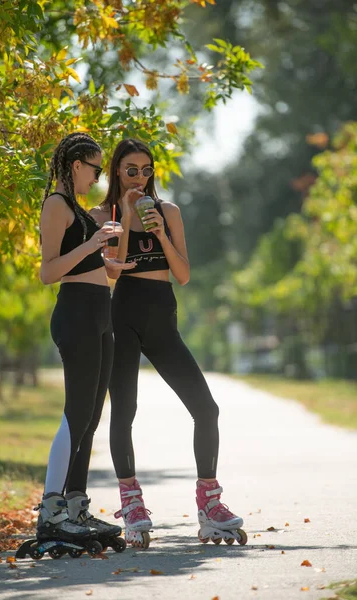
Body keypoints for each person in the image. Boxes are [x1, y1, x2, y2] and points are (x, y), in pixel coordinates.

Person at [91, 138, 246, 549]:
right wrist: (123, 217)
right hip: (122, 316)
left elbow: (183, 274)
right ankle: (132, 503)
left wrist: (159, 234)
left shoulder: (169, 211)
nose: (139, 177)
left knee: (206, 409)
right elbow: (112, 274)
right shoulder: (101, 215)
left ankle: (209, 503)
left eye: (146, 170)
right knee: (124, 410)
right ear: (116, 172)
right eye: (131, 170)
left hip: (163, 318)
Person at [36, 132, 135, 551]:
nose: (96, 178)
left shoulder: (77, 208)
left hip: (100, 309)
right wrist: (93, 243)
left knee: (92, 414)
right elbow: (49, 271)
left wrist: (109, 259)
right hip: (75, 312)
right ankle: (50, 510)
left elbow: (102, 272)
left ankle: (75, 504)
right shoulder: (56, 205)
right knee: (76, 412)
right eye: (95, 169)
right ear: (76, 165)